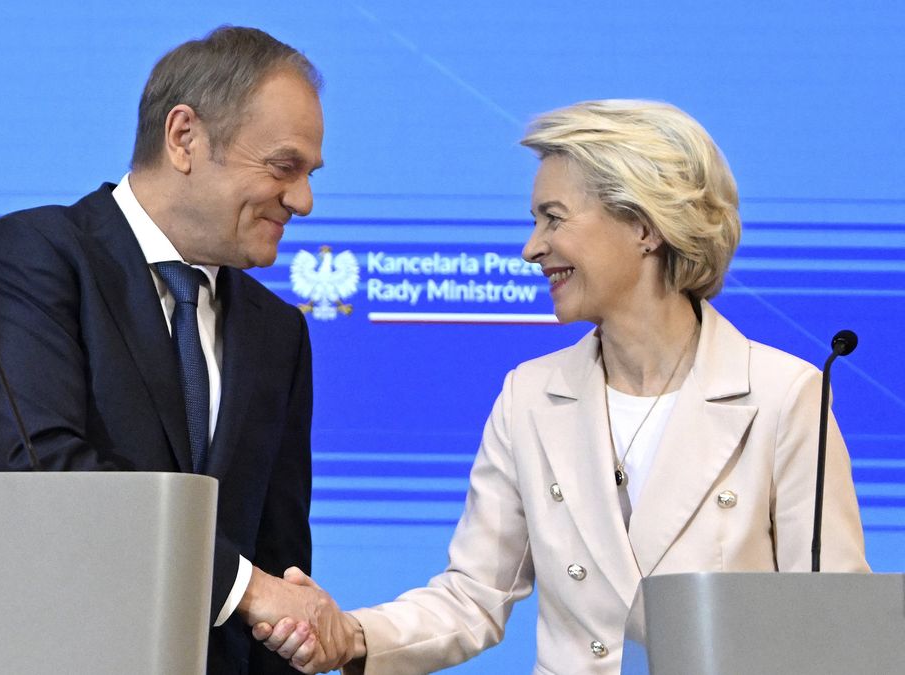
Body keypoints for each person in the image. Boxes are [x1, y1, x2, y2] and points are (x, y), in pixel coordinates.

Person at [255, 99, 871, 674]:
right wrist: (351, 634)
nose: (532, 249)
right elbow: (473, 596)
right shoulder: (529, 396)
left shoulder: (782, 396)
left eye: (554, 218)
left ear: (644, 226)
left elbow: (835, 621)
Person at [0, 26, 350, 674]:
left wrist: (286, 618)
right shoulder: (31, 258)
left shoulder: (279, 332)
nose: (303, 200)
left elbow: (280, 566)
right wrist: (245, 588)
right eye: (284, 167)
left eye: (309, 174)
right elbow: (35, 472)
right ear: (184, 137)